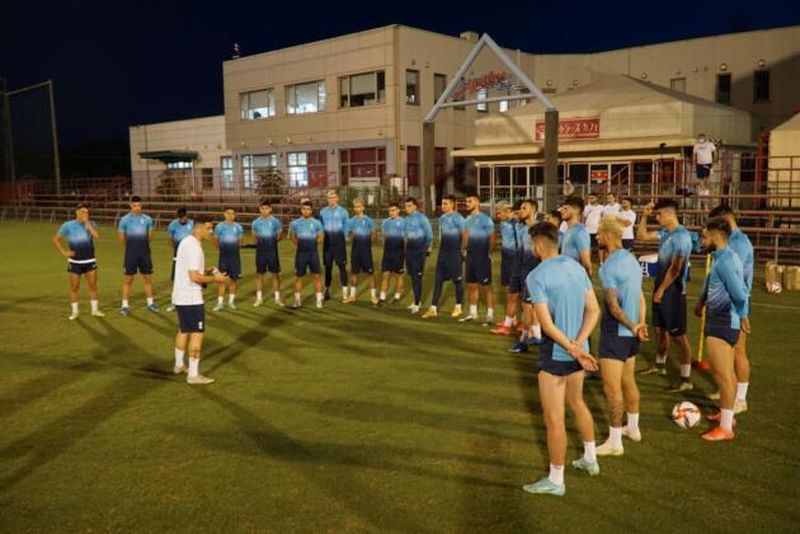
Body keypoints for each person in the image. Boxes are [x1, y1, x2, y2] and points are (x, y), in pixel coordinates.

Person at [522, 222, 600, 497]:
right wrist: (580, 344)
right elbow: (594, 310)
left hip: (557, 354)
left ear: (539, 244)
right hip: (580, 352)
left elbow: (547, 325)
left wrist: (572, 348)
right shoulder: (576, 268)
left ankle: (556, 479)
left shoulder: (536, 275)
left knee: (554, 418)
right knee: (577, 402)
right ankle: (590, 457)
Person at [595, 217, 648, 456]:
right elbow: (640, 297)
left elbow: (614, 308)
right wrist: (639, 324)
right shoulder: (632, 259)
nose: (596, 238)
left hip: (615, 333)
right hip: (631, 335)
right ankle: (633, 428)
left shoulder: (608, 267)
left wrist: (632, 325)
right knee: (629, 381)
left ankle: (615, 441)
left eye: (598, 233)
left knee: (612, 389)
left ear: (607, 234)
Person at [694, 217, 749, 441]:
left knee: (723, 375)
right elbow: (712, 283)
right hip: (723, 319)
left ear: (716, 235)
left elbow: (738, 292)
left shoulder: (726, 261)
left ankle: (726, 428)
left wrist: (743, 315)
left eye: (705, 235)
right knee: (726, 373)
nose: (702, 239)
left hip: (722, 321)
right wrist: (701, 301)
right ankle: (727, 416)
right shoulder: (723, 257)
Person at [637, 199, 695, 392]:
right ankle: (660, 365)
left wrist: (661, 290)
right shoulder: (665, 234)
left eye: (659, 214)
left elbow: (676, 267)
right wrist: (644, 215)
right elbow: (642, 236)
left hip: (673, 293)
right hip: (660, 288)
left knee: (679, 336)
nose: (657, 217)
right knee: (659, 330)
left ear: (670, 214)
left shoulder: (682, 236)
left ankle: (686, 379)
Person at [171, 214, 230, 385]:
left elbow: (190, 270)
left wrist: (208, 270)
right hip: (191, 298)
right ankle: (193, 375)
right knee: (197, 334)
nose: (211, 232)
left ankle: (179, 365)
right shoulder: (194, 247)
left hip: (181, 296)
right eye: (209, 228)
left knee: (183, 330)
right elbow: (194, 276)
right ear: (199, 227)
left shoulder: (186, 242)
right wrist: (215, 279)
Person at [706, 204, 753, 415]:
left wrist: (742, 312)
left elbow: (737, 281)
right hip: (727, 304)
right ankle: (728, 395)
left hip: (734, 306)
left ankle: (740, 399)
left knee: (739, 352)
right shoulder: (728, 243)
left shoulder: (740, 243)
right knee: (727, 358)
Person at [52, 204, 104, 320]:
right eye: (82, 212)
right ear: (76, 212)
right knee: (74, 287)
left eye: (86, 212)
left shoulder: (91, 224)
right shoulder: (68, 225)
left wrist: (87, 224)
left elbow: (96, 236)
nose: (85, 214)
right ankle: (75, 312)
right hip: (75, 262)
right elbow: (55, 239)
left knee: (93, 286)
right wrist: (64, 252)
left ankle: (95, 310)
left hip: (90, 260)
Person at [508, 200, 543, 353]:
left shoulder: (539, 229)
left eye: (524, 208)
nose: (521, 210)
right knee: (530, 306)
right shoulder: (522, 229)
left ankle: (523, 341)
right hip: (523, 271)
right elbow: (521, 253)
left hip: (535, 272)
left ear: (533, 210)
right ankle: (536, 335)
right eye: (520, 208)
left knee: (528, 307)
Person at [423, 195, 465, 319]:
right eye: (442, 203)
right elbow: (442, 236)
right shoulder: (441, 218)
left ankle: (458, 307)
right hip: (443, 253)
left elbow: (464, 234)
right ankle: (433, 308)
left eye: (446, 203)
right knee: (438, 280)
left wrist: (463, 251)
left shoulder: (458, 218)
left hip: (454, 253)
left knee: (457, 281)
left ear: (452, 204)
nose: (443, 206)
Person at [118, 196, 157, 315]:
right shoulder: (124, 220)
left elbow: (149, 237)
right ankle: (124, 305)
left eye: (139, 205)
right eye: (134, 206)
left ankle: (150, 303)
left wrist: (142, 246)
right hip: (131, 254)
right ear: (130, 205)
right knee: (128, 279)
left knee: (147, 278)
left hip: (145, 253)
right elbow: (121, 238)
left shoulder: (147, 219)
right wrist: (131, 247)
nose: (137, 208)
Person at [461, 194, 495, 324]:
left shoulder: (485, 219)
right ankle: (473, 313)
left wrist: (488, 253)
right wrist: (463, 250)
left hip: (482, 257)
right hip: (470, 257)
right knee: (471, 285)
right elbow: (465, 236)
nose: (467, 203)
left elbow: (492, 238)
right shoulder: (467, 220)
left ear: (477, 202)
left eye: (470, 201)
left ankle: (490, 314)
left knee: (487, 287)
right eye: (466, 201)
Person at [289, 200, 325, 309]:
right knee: (298, 277)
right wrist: (300, 245)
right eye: (304, 209)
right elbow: (292, 237)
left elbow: (321, 238)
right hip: (301, 254)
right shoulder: (295, 223)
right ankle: (297, 301)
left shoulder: (317, 223)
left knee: (317, 277)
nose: (306, 211)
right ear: (301, 210)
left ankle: (319, 301)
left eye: (308, 209)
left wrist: (312, 244)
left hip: (313, 254)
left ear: (311, 210)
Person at [491, 202, 519, 335]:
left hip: (515, 259)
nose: (497, 215)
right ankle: (513, 320)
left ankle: (509, 324)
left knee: (513, 293)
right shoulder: (502, 223)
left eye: (499, 212)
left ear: (507, 211)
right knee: (506, 289)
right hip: (506, 259)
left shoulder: (516, 224)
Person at [403, 197, 433, 314]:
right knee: (412, 276)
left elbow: (429, 234)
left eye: (409, 206)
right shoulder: (406, 220)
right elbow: (405, 235)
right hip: (409, 250)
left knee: (417, 276)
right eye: (406, 206)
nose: (407, 208)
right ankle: (416, 300)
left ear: (415, 206)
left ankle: (416, 303)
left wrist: (428, 247)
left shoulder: (422, 218)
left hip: (419, 250)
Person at [346, 198, 378, 304]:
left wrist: (367, 243)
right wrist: (351, 238)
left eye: (359, 206)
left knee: (370, 273)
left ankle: (373, 296)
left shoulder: (369, 220)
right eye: (355, 206)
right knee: (354, 273)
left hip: (366, 252)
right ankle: (352, 296)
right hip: (355, 251)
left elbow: (374, 234)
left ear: (363, 207)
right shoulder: (351, 221)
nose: (357, 208)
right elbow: (349, 235)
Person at [251, 199, 283, 307]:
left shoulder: (276, 221)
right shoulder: (255, 222)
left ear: (270, 209)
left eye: (266, 208)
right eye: (262, 208)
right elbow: (255, 238)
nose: (264, 210)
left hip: (272, 253)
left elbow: (279, 236)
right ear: (260, 209)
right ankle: (259, 299)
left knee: (275, 275)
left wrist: (271, 242)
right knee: (259, 275)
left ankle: (277, 299)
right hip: (260, 253)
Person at [320, 189, 349, 302]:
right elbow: (321, 226)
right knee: (328, 267)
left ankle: (345, 293)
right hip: (327, 243)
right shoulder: (322, 212)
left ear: (337, 198)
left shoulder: (343, 212)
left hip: (339, 243)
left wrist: (345, 236)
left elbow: (346, 225)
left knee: (342, 267)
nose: (330, 199)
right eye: (329, 197)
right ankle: (326, 291)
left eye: (332, 197)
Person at [212, 207, 244, 311]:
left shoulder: (238, 227)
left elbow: (241, 242)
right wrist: (222, 250)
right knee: (222, 279)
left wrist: (234, 249)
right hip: (224, 258)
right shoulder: (220, 227)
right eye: (228, 213)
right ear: (224, 214)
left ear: (235, 215)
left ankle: (231, 301)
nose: (231, 215)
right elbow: (215, 241)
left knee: (233, 280)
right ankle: (220, 302)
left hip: (235, 258)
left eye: (233, 214)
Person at [166, 207, 194, 312]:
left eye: (183, 217)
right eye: (180, 218)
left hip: (191, 255)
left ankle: (191, 301)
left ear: (187, 215)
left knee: (192, 277)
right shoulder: (173, 225)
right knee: (176, 278)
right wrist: (177, 249)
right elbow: (169, 239)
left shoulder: (192, 224)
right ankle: (174, 302)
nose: (182, 220)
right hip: (178, 255)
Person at [378, 201, 405, 306]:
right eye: (389, 210)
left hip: (399, 253)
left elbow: (405, 238)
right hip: (388, 253)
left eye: (393, 210)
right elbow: (384, 237)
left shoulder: (403, 222)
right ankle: (382, 299)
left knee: (399, 276)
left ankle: (397, 297)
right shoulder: (385, 222)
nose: (391, 212)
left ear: (398, 211)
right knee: (385, 275)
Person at [560, 196, 592, 276]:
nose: (561, 211)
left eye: (565, 208)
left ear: (576, 210)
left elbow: (586, 263)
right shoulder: (568, 230)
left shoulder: (580, 231)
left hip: (575, 278)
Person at [599, 192, 621, 264]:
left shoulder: (619, 207)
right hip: (607, 230)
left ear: (615, 198)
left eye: (610, 198)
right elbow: (602, 218)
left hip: (616, 230)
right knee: (607, 246)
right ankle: (606, 262)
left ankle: (616, 261)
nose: (609, 199)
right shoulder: (604, 208)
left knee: (616, 246)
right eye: (607, 198)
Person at [583, 193, 603, 262]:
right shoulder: (587, 207)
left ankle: (601, 262)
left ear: (596, 198)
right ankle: (588, 260)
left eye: (592, 198)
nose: (591, 199)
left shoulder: (601, 207)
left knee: (600, 247)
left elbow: (603, 217)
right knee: (589, 246)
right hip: (588, 230)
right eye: (589, 198)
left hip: (597, 230)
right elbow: (584, 218)